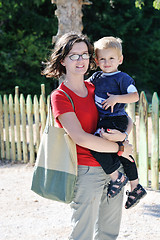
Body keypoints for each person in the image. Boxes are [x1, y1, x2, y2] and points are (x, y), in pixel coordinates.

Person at [42, 32, 133, 240]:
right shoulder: (60, 96)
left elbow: (127, 119)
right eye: (74, 55)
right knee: (82, 234)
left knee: (109, 233)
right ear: (62, 59)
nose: (80, 60)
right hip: (86, 172)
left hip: (114, 166)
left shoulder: (97, 87)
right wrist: (119, 147)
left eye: (84, 54)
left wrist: (123, 137)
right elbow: (80, 137)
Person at [89, 36, 147, 209]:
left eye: (111, 58)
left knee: (96, 145)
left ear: (120, 60)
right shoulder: (96, 77)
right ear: (96, 61)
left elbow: (135, 96)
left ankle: (117, 177)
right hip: (105, 120)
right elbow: (84, 86)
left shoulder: (123, 78)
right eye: (103, 59)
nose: (107, 62)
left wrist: (117, 98)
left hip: (117, 119)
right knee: (122, 152)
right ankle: (135, 186)